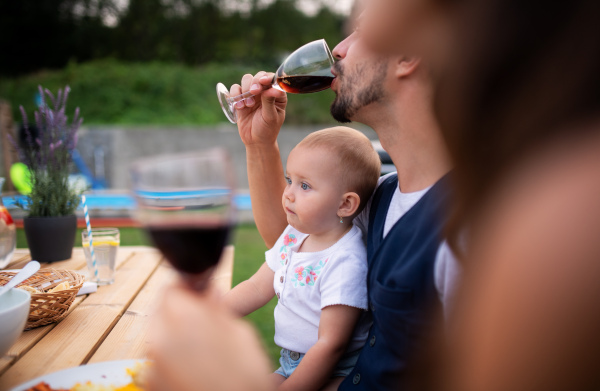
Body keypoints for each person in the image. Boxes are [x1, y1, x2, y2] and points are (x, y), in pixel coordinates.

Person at [149, 6, 460, 390]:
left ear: (408, 55)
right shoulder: (381, 197)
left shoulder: (469, 231)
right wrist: (260, 143)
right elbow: (294, 238)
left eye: (361, 32)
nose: (339, 50)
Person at [223, 127, 380, 391]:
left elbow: (331, 344)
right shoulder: (294, 235)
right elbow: (256, 287)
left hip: (336, 369)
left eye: (305, 185)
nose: (289, 193)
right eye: (289, 180)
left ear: (345, 205)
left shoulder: (345, 261)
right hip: (290, 362)